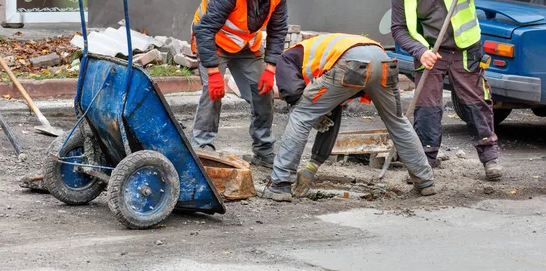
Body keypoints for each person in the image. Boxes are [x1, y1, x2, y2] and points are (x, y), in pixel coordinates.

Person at [261, 33, 436, 202]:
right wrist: (312, 166)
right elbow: (333, 109)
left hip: (350, 60)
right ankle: (425, 181)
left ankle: (280, 184)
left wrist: (312, 115)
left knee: (300, 115)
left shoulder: (287, 58)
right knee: (397, 121)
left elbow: (292, 93)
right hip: (382, 59)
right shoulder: (322, 55)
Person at [391, 0, 503, 181]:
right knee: (427, 106)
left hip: (465, 49)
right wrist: (419, 51)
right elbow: (398, 29)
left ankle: (490, 157)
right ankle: (424, 163)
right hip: (429, 51)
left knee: (475, 103)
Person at [190, 0, 288, 168]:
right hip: (214, 41)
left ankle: (263, 151)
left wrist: (271, 68)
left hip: (247, 46)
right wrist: (213, 72)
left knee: (264, 92)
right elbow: (205, 29)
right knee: (212, 93)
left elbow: (278, 29)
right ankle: (202, 148)